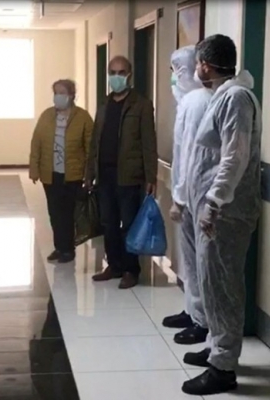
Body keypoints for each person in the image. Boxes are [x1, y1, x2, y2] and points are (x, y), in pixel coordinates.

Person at [180, 35, 262, 396]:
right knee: (213, 284)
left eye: (198, 63)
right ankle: (217, 347)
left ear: (205, 65)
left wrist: (214, 202)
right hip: (214, 212)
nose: (196, 69)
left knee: (224, 288)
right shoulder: (224, 96)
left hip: (226, 214)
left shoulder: (236, 98)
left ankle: (223, 367)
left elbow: (234, 156)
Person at [85, 55, 158, 289]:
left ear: (129, 75)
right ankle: (114, 265)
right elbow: (95, 142)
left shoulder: (141, 105)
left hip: (129, 175)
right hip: (104, 175)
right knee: (108, 223)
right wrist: (89, 172)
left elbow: (149, 142)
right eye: (113, 73)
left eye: (121, 72)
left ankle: (130, 269)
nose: (116, 77)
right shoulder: (104, 106)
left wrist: (151, 176)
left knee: (128, 224)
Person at [162, 45, 215, 348]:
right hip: (190, 194)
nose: (173, 77)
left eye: (175, 70)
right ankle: (192, 310)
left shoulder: (198, 103)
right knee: (191, 261)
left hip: (195, 195)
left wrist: (180, 197)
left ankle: (202, 321)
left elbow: (190, 156)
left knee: (200, 262)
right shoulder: (189, 101)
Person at [29, 79, 93, 263]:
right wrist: (34, 168)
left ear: (71, 95)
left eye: (62, 93)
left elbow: (90, 147)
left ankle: (68, 249)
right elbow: (37, 142)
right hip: (50, 173)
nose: (58, 97)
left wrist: (89, 174)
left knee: (68, 212)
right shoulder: (47, 116)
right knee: (55, 212)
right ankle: (59, 247)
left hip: (72, 174)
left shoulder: (82, 117)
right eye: (55, 93)